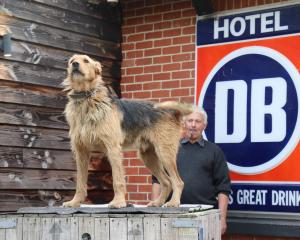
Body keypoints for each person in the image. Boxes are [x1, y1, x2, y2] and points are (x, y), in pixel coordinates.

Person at [151, 108, 231, 235]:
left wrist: (222, 219)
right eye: (190, 121)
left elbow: (223, 188)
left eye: (197, 121)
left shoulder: (215, 151)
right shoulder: (169, 147)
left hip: (205, 216)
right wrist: (154, 212)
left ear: (204, 125)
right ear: (184, 123)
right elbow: (157, 180)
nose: (193, 125)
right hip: (172, 214)